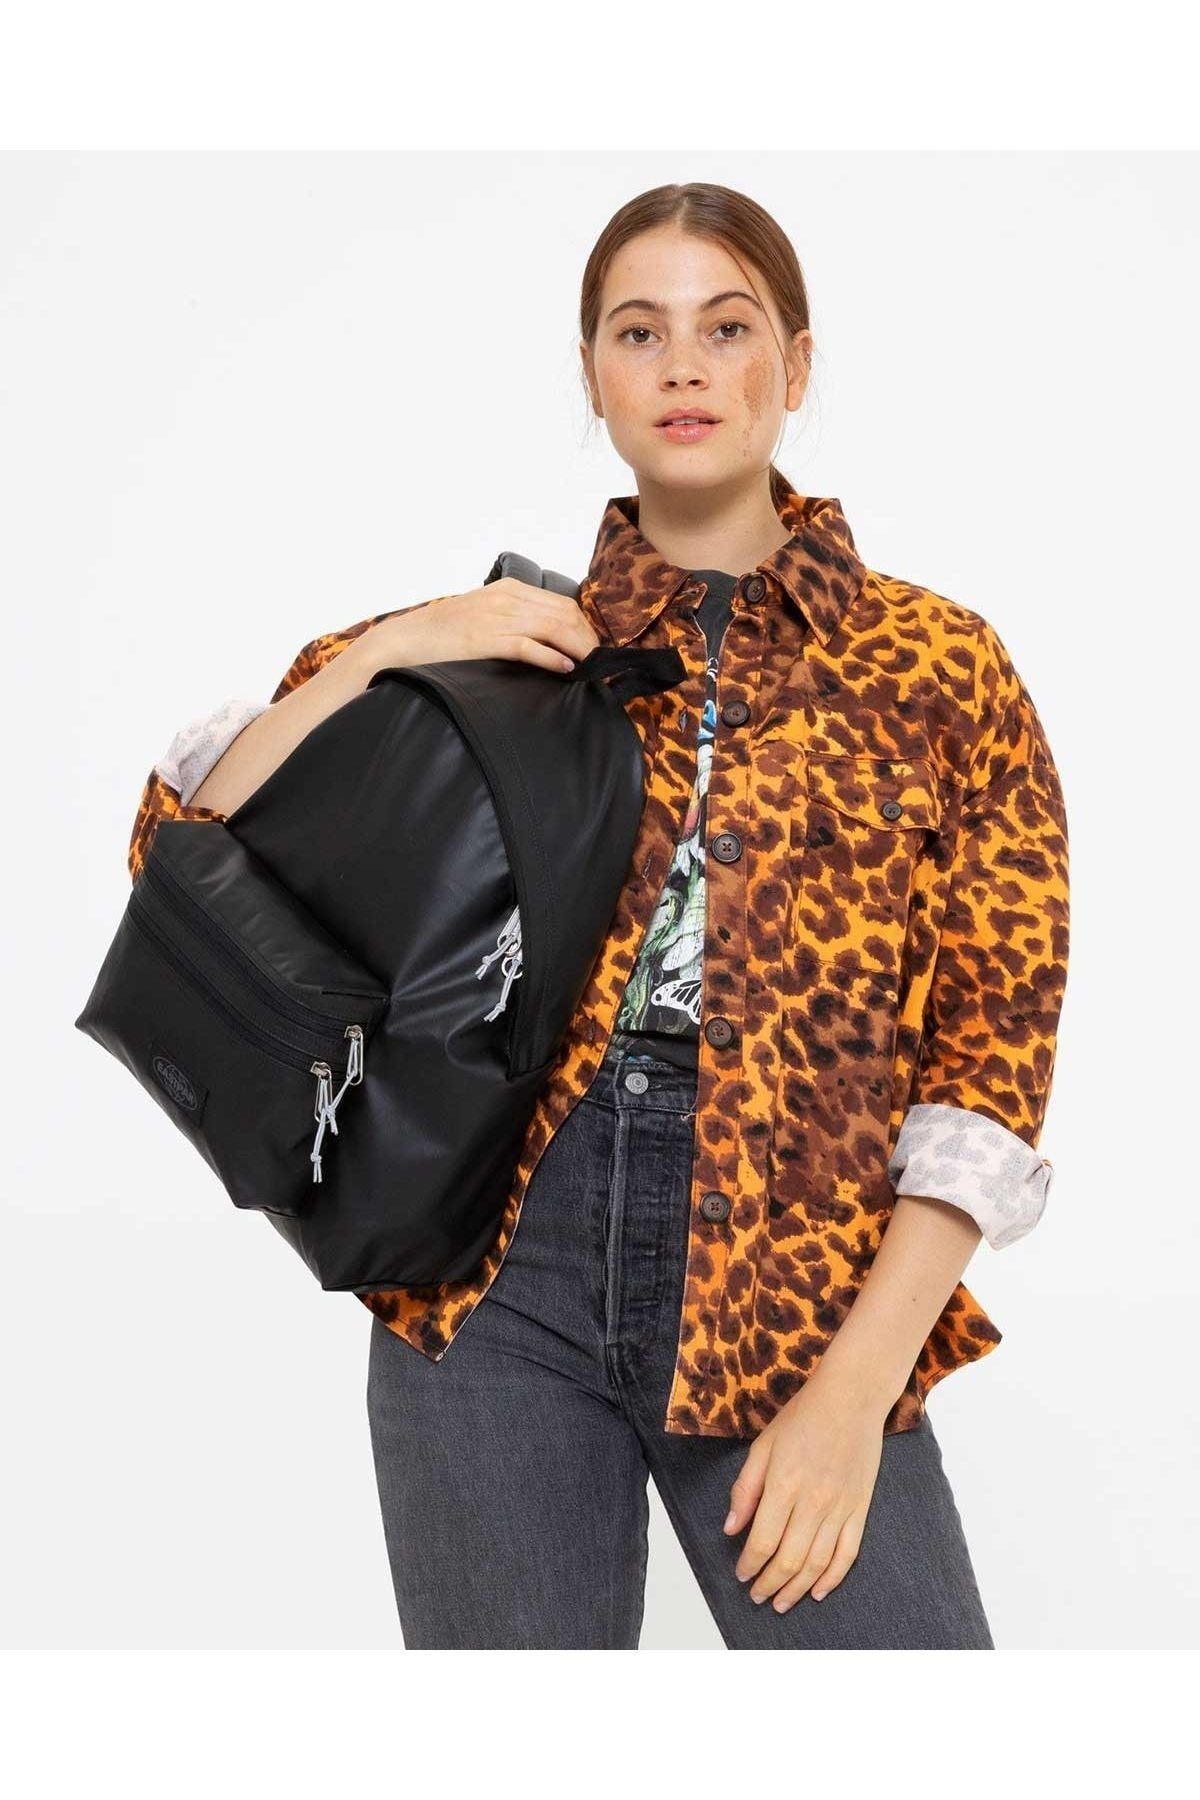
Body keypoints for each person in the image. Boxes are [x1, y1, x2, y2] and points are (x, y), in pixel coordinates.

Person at [127, 181, 1070, 1649]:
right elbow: (190, 840)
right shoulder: (503, 643)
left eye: (727, 328)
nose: (684, 366)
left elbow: (990, 1063)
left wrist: (855, 1391)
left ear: (795, 365)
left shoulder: (940, 668)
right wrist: (402, 643)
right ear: (593, 376)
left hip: (799, 1274)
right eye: (640, 332)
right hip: (497, 1278)